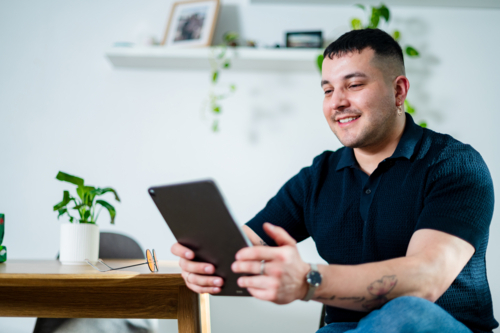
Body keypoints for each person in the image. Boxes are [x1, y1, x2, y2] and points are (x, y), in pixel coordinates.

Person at [171, 28, 498, 333]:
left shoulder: (453, 165)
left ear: (399, 91)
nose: (337, 102)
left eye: (354, 85)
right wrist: (208, 259)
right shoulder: (318, 176)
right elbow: (249, 242)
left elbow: (424, 280)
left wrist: (307, 281)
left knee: (407, 312)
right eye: (328, 90)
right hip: (346, 329)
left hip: (433, 326)